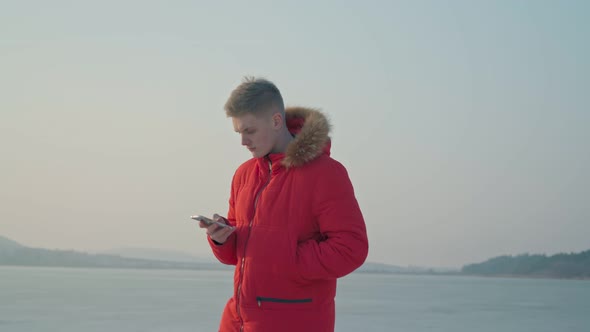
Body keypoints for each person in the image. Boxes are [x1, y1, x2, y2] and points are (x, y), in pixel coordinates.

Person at [199, 77, 368, 332]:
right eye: (239, 132)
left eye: (250, 130)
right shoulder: (244, 175)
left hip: (294, 322)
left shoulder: (326, 173)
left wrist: (286, 258)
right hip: (237, 322)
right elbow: (237, 254)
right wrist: (222, 237)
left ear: (276, 121)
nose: (243, 141)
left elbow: (351, 248)